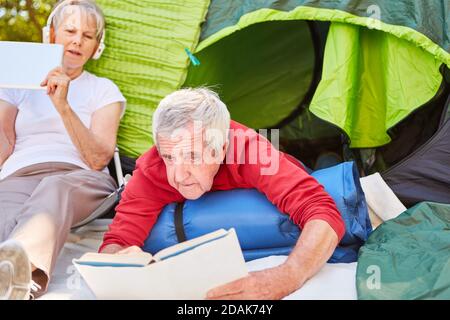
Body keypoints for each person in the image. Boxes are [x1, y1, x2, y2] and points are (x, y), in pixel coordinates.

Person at [100, 88, 345, 300]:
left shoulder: (250, 151)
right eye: (169, 157)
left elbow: (322, 210)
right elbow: (115, 241)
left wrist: (287, 276)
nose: (177, 175)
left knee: (327, 170)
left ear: (221, 149)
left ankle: (326, 155)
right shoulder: (153, 169)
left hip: (297, 170)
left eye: (192, 156)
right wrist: (121, 260)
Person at [0, 0, 126, 299]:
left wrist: (63, 106)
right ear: (51, 35)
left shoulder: (103, 89)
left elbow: (98, 158)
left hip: (79, 177)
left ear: (97, 46)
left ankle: (21, 276)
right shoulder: (16, 84)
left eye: (88, 35)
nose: (77, 40)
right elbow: (4, 144)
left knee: (54, 188)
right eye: (70, 30)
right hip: (19, 174)